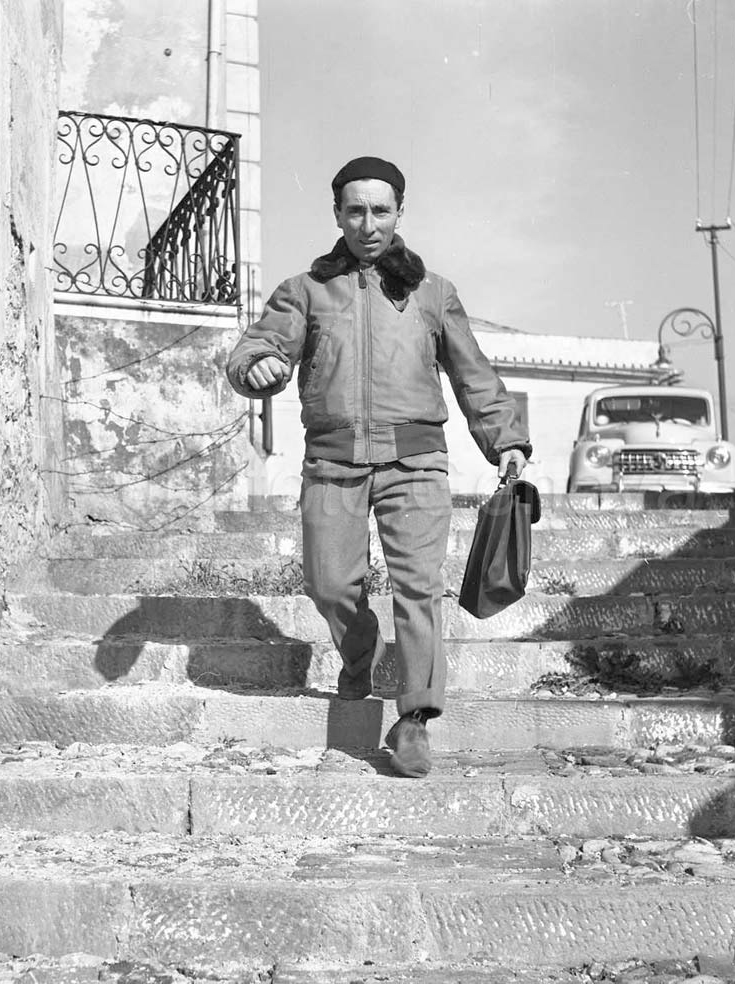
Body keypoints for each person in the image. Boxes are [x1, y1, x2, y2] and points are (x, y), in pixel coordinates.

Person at [226, 156, 531, 778]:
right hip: (333, 460)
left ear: (399, 212)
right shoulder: (305, 290)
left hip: (415, 462)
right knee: (329, 585)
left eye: (381, 211)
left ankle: (414, 719)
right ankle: (362, 656)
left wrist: (506, 439)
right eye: (356, 211)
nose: (369, 225)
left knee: (418, 587)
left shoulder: (433, 292)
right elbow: (261, 345)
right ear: (338, 214)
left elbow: (472, 372)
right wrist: (257, 365)